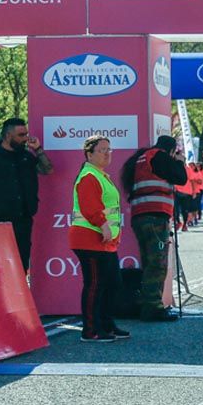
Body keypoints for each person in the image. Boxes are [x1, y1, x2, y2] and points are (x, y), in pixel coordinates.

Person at [122, 135, 187, 322]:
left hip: (139, 215)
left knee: (148, 261)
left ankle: (146, 303)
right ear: (172, 150)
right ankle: (153, 307)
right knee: (157, 264)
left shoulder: (141, 158)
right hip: (156, 216)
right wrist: (180, 163)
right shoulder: (160, 157)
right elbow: (180, 178)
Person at [70, 135, 127, 342]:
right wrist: (103, 225)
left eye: (109, 149)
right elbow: (89, 206)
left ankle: (106, 324)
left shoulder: (100, 175)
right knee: (95, 284)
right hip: (89, 238)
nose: (107, 153)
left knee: (112, 283)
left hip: (103, 241)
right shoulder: (89, 176)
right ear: (89, 154)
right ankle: (91, 330)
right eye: (102, 150)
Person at [0, 118, 54, 271]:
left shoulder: (26, 157)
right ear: (8, 136)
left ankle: (19, 294)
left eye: (26, 134)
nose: (26, 139)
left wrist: (38, 149)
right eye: (21, 135)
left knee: (21, 265)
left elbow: (47, 170)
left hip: (23, 220)